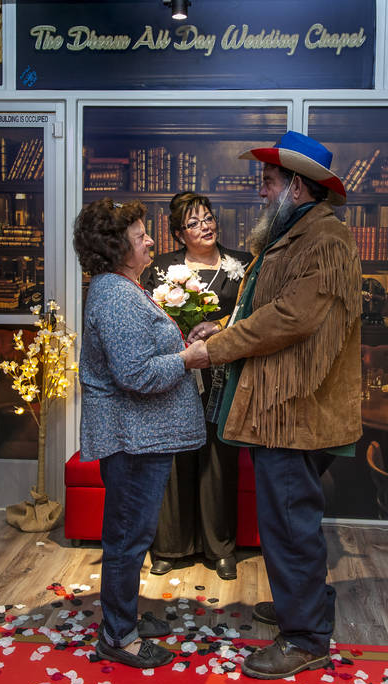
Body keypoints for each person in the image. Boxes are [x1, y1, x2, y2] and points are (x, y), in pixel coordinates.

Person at [188, 131, 363, 680]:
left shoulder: (326, 240)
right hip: (282, 410)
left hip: (297, 412)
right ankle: (301, 608)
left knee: (290, 525)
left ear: (297, 187)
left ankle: (306, 636)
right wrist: (227, 323)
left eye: (268, 182)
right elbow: (266, 304)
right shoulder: (294, 234)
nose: (261, 192)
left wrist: (212, 349)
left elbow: (292, 318)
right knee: (287, 521)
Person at [73, 198, 211, 669]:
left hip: (140, 436)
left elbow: (143, 355)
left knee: (132, 534)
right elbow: (135, 374)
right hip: (131, 440)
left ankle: (123, 614)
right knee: (128, 538)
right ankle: (118, 635)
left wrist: (185, 341)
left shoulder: (122, 287)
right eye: (139, 235)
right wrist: (188, 360)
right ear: (115, 248)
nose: (151, 240)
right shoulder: (114, 294)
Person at [140, 192, 252, 580]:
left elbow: (250, 319)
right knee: (173, 457)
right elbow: (148, 315)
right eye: (194, 222)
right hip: (176, 372)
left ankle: (219, 547)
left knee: (219, 459)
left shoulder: (241, 265)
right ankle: (171, 546)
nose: (205, 226)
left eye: (208, 218)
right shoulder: (160, 269)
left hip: (221, 374)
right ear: (177, 233)